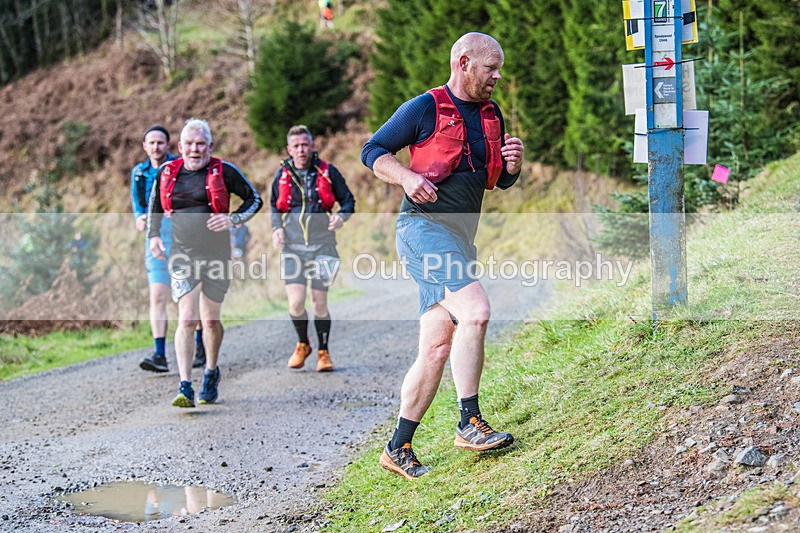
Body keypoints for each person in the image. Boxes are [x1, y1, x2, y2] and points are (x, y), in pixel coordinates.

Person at [360, 32, 525, 479]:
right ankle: (469, 422)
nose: (497, 76)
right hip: (422, 229)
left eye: (499, 69)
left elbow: (494, 181)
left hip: (459, 240)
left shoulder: (492, 113)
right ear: (464, 62)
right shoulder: (425, 107)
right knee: (477, 311)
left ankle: (397, 447)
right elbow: (372, 151)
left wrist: (511, 168)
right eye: (491, 68)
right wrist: (405, 178)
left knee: (435, 347)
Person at [148, 118, 263, 407]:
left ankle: (211, 371)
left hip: (216, 256)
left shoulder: (224, 171)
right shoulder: (167, 172)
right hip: (182, 255)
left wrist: (232, 218)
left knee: (210, 320)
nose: (195, 149)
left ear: (210, 146)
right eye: (189, 144)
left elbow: (254, 199)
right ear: (180, 146)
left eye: (200, 144)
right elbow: (155, 205)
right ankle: (185, 384)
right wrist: (153, 236)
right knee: (187, 318)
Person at [270, 125, 355, 373]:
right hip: (292, 248)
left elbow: (349, 201)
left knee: (319, 302)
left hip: (323, 246)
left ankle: (323, 351)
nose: (301, 150)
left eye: (304, 144)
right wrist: (277, 228)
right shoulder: (282, 174)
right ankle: (303, 343)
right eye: (296, 146)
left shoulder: (328, 172)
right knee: (296, 304)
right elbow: (275, 207)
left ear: (312, 145)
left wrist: (341, 217)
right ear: (289, 149)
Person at [132, 125, 206, 373]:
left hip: (183, 238)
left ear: (169, 145)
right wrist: (141, 219)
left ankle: (199, 346)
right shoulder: (139, 174)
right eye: (151, 143)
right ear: (144, 146)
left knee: (188, 298)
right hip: (155, 240)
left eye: (160, 142)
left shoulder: (179, 167)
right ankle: (160, 354)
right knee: (158, 296)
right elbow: (138, 205)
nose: (156, 147)